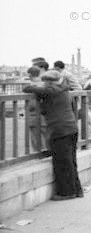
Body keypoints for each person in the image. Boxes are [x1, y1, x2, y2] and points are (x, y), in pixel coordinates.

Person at [22, 70, 83, 200]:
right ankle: (77, 190)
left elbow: (26, 88)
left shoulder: (51, 91)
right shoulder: (64, 89)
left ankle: (66, 193)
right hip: (71, 128)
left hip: (59, 130)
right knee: (71, 161)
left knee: (62, 162)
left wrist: (36, 87)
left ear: (48, 82)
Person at [26, 66, 47, 151]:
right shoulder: (45, 84)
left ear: (30, 75)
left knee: (36, 142)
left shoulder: (31, 86)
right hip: (46, 116)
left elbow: (31, 105)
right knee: (46, 140)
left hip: (34, 116)